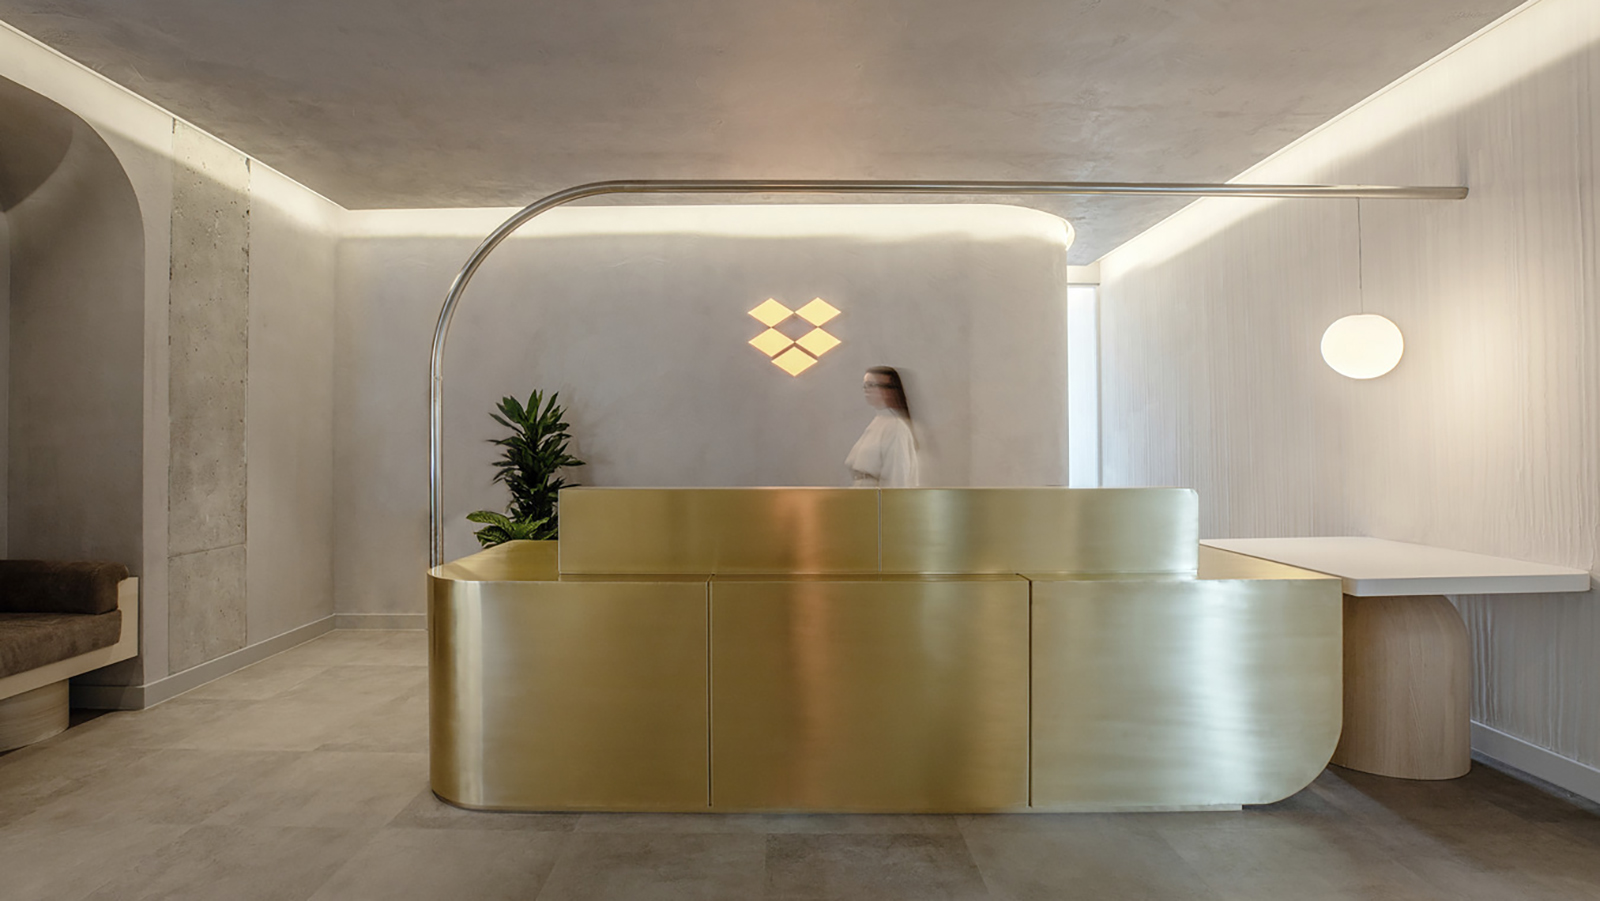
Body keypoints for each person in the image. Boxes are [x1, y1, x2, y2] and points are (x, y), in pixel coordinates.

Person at [845, 366, 919, 487]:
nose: (866, 390)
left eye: (871, 385)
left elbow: (897, 476)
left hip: (877, 500)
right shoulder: (878, 422)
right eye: (865, 385)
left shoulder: (895, 427)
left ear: (888, 390)